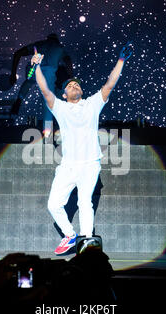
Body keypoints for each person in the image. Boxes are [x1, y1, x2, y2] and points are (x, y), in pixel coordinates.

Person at [31, 42, 133, 254]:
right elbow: (44, 89)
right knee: (53, 205)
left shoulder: (92, 104)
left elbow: (109, 84)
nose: (74, 86)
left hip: (89, 164)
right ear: (65, 94)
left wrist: (121, 61)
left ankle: (87, 243)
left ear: (82, 90)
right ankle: (70, 236)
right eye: (70, 86)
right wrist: (37, 67)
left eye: (77, 85)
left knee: (85, 201)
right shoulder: (60, 107)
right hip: (68, 165)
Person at [9, 33, 73, 137]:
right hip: (48, 74)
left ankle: (19, 99)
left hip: (33, 69)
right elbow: (68, 61)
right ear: (57, 41)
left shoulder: (39, 44)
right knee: (48, 106)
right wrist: (71, 77)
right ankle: (47, 136)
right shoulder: (60, 48)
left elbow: (17, 53)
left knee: (29, 81)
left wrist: (13, 74)